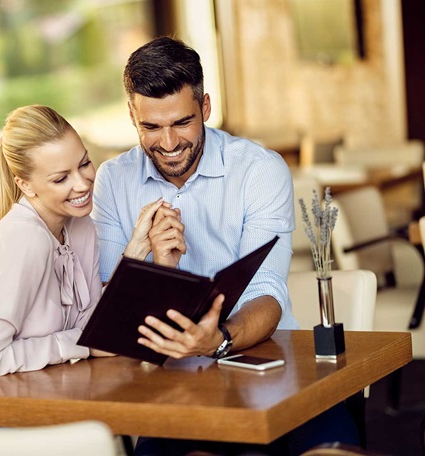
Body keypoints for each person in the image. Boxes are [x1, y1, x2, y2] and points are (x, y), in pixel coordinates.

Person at [91, 37, 359, 455]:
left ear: (206, 108)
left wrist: (216, 339)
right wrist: (157, 263)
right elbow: (107, 311)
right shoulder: (113, 180)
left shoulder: (258, 170)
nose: (167, 143)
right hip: (170, 384)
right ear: (131, 115)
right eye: (150, 126)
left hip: (273, 368)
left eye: (181, 122)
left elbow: (265, 291)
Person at [0, 105, 164, 425]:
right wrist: (80, 346)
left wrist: (136, 251)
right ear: (25, 185)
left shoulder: (80, 227)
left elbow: (91, 323)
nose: (82, 184)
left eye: (84, 164)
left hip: (36, 395)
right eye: (61, 178)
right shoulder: (25, 240)